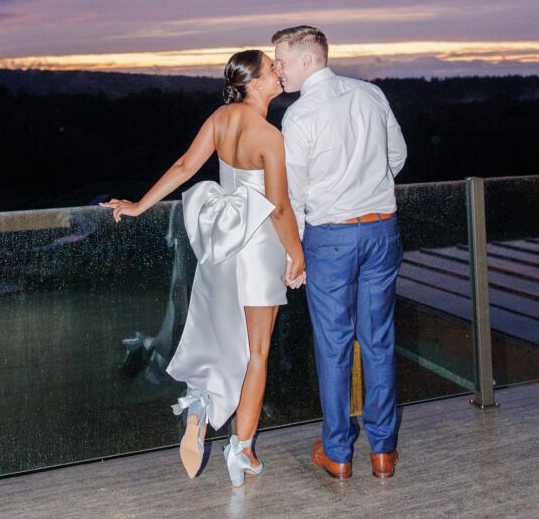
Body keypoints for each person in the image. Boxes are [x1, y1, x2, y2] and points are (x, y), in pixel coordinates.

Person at [101, 49, 305, 487]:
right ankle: (242, 449)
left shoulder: (220, 117)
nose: (279, 73)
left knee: (225, 341)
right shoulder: (269, 135)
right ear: (253, 80)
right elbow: (280, 208)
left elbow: (184, 167)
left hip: (221, 247)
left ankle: (200, 407)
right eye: (272, 69)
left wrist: (140, 205)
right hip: (256, 247)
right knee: (257, 352)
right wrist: (298, 254)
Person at [272, 25, 407, 481]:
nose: (278, 70)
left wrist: (299, 253)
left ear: (308, 61)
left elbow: (294, 193)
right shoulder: (370, 95)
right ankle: (383, 452)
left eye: (283, 62)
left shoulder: (299, 115)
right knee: (379, 341)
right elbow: (398, 157)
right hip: (381, 231)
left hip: (331, 237)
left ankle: (339, 453)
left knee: (333, 346)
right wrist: (367, 187)